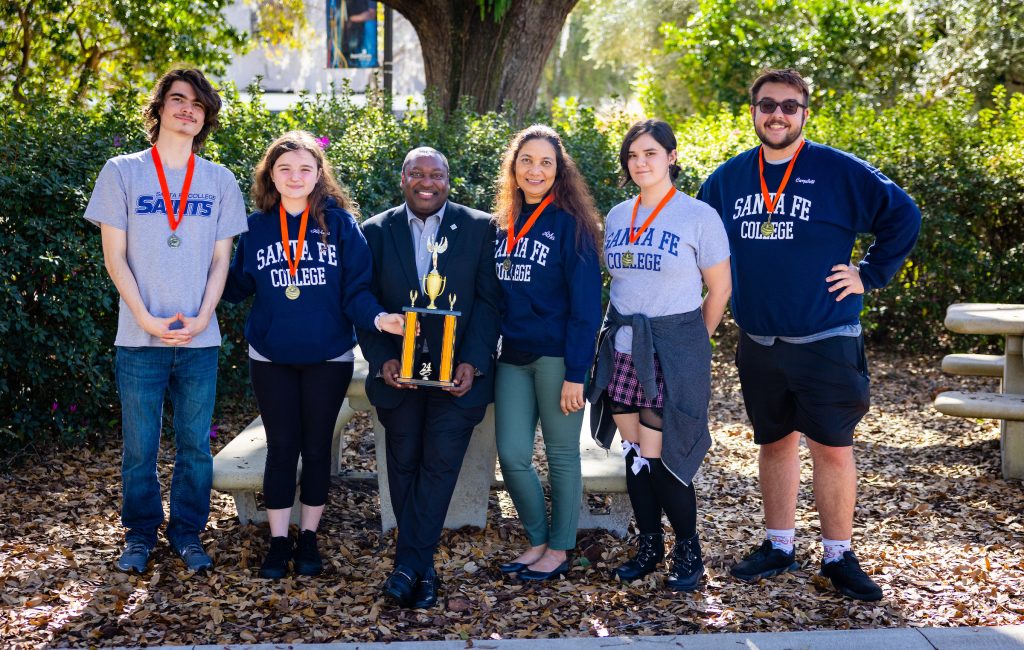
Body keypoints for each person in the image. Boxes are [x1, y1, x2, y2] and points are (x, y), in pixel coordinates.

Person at [696, 68, 921, 601]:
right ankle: (779, 545)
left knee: (833, 447)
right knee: (773, 443)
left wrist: (869, 273)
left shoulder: (838, 171)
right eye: (767, 104)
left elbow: (903, 215)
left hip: (826, 336)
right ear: (752, 111)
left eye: (789, 106)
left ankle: (839, 556)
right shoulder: (727, 179)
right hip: (760, 340)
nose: (778, 114)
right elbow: (698, 242)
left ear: (804, 113)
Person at [83, 69, 248, 573]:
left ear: (206, 117)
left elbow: (222, 261)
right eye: (178, 100)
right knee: (140, 447)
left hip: (199, 339)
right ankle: (138, 535)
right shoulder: (122, 171)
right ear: (158, 109)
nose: (188, 110)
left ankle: (187, 533)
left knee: (196, 446)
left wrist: (203, 316)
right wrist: (146, 319)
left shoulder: (220, 179)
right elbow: (115, 259)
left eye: (198, 104)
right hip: (139, 337)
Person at [222, 131, 405, 579]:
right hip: (271, 355)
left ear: (319, 174)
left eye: (305, 168)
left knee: (316, 446)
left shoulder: (341, 226)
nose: (295, 176)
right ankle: (278, 541)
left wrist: (380, 319)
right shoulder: (255, 226)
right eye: (284, 168)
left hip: (328, 355)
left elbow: (356, 291)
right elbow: (234, 287)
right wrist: (198, 266)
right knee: (283, 447)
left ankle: (309, 539)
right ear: (271, 175)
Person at [587, 119, 732, 591]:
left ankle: (689, 549)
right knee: (636, 457)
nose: (640, 162)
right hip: (624, 350)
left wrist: (692, 343)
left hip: (670, 353)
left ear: (671, 157)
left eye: (650, 153)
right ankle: (650, 545)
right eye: (632, 155)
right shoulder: (615, 215)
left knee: (665, 456)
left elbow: (720, 288)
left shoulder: (697, 216)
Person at [357, 147, 501, 608]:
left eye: (436, 174)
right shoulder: (376, 232)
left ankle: (408, 567)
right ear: (402, 179)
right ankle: (421, 568)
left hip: (457, 378)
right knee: (404, 466)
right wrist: (382, 358)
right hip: (398, 377)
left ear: (447, 180)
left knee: (438, 467)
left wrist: (473, 362)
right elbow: (364, 301)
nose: (427, 182)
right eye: (417, 173)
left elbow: (489, 302)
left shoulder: (479, 227)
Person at [491, 125, 603, 581]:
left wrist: (578, 372)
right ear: (514, 169)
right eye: (526, 161)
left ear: (559, 172)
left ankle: (560, 549)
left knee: (561, 456)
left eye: (545, 163)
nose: (535, 170)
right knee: (513, 456)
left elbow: (586, 308)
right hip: (512, 358)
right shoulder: (501, 224)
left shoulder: (572, 225)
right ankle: (537, 539)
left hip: (558, 360)